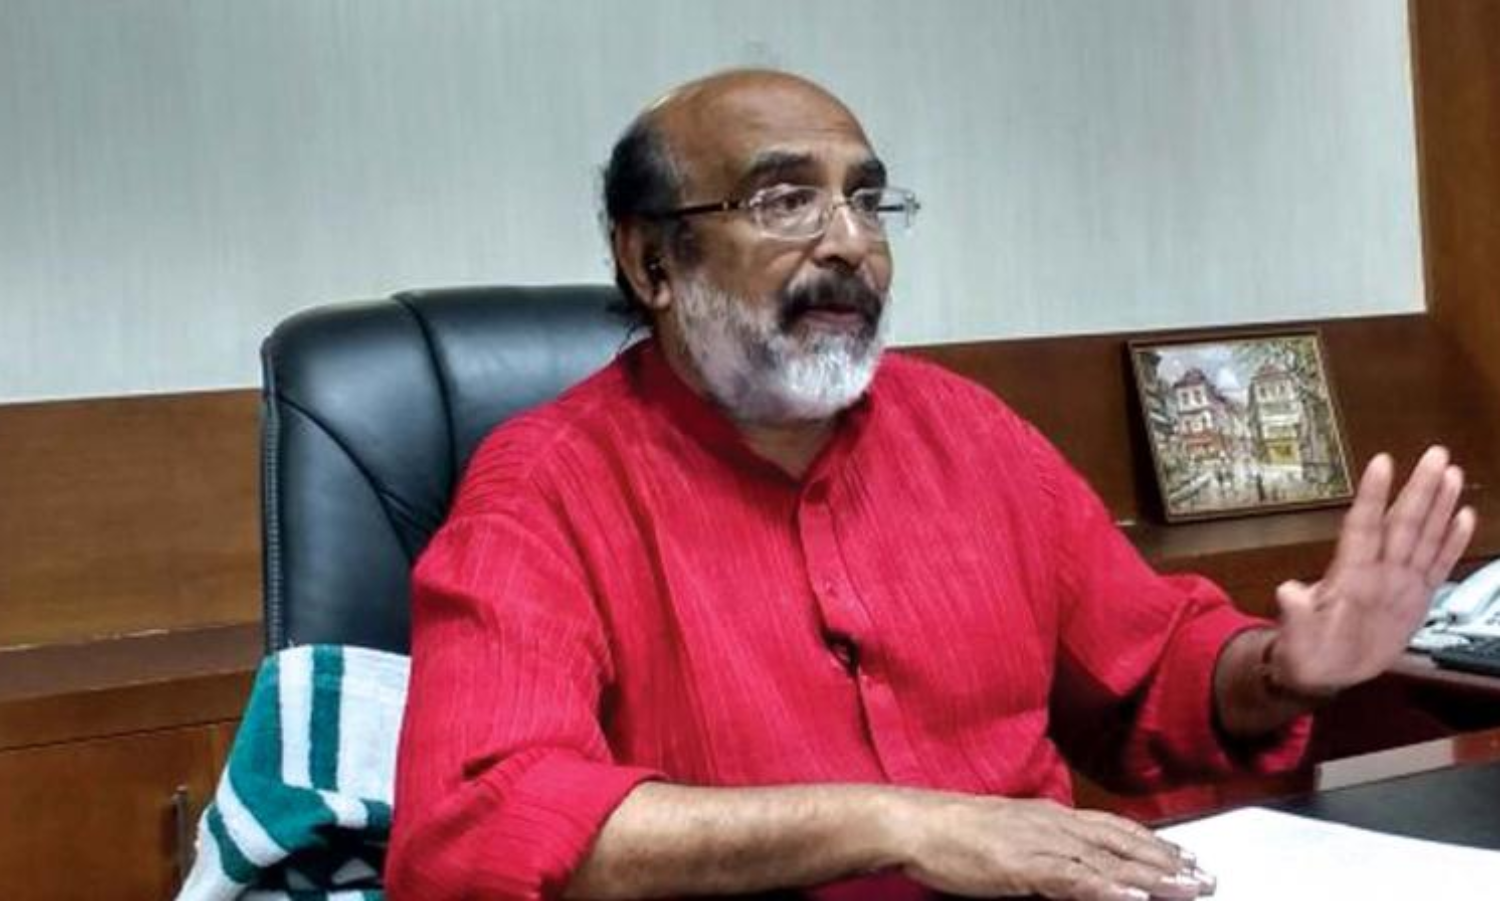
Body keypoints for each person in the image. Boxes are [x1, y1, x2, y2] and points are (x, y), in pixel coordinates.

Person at [387, 69, 1474, 901]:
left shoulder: (967, 430)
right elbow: (478, 822)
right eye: (785, 200)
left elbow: (1150, 673)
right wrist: (895, 822)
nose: (850, 243)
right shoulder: (545, 489)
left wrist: (1284, 667)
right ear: (651, 263)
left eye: (868, 201)